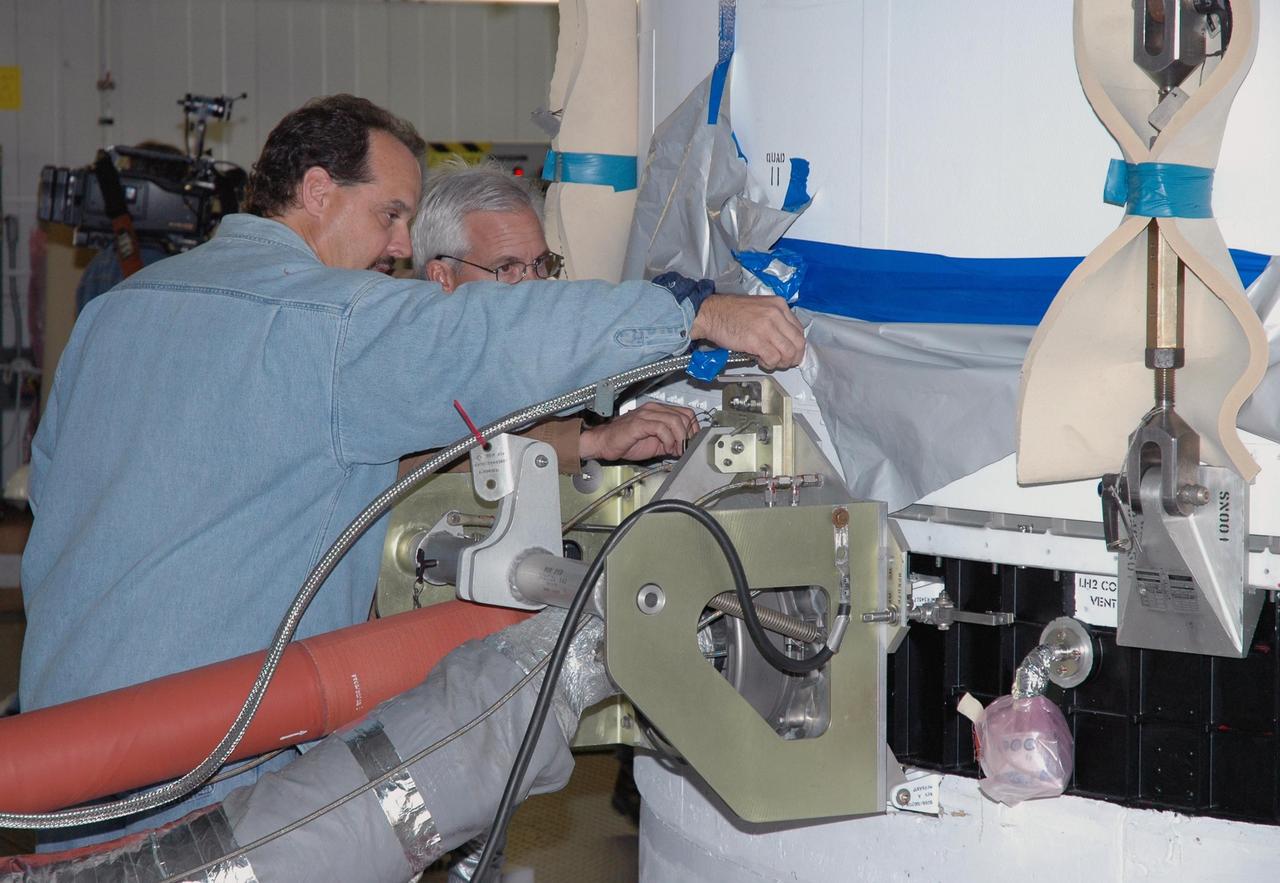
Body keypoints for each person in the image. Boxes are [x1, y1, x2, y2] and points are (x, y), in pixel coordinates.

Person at [18, 94, 805, 849]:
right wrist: (691, 313)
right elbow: (487, 341)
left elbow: (57, 492)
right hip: (204, 769)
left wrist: (588, 445)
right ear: (318, 190)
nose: (400, 245)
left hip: (61, 742)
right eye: (390, 214)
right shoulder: (331, 319)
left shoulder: (116, 312)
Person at [408, 158, 700, 472]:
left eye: (540, 265)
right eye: (506, 268)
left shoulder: (543, 351)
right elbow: (428, 460)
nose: (536, 288)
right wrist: (593, 442)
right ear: (443, 278)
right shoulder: (407, 363)